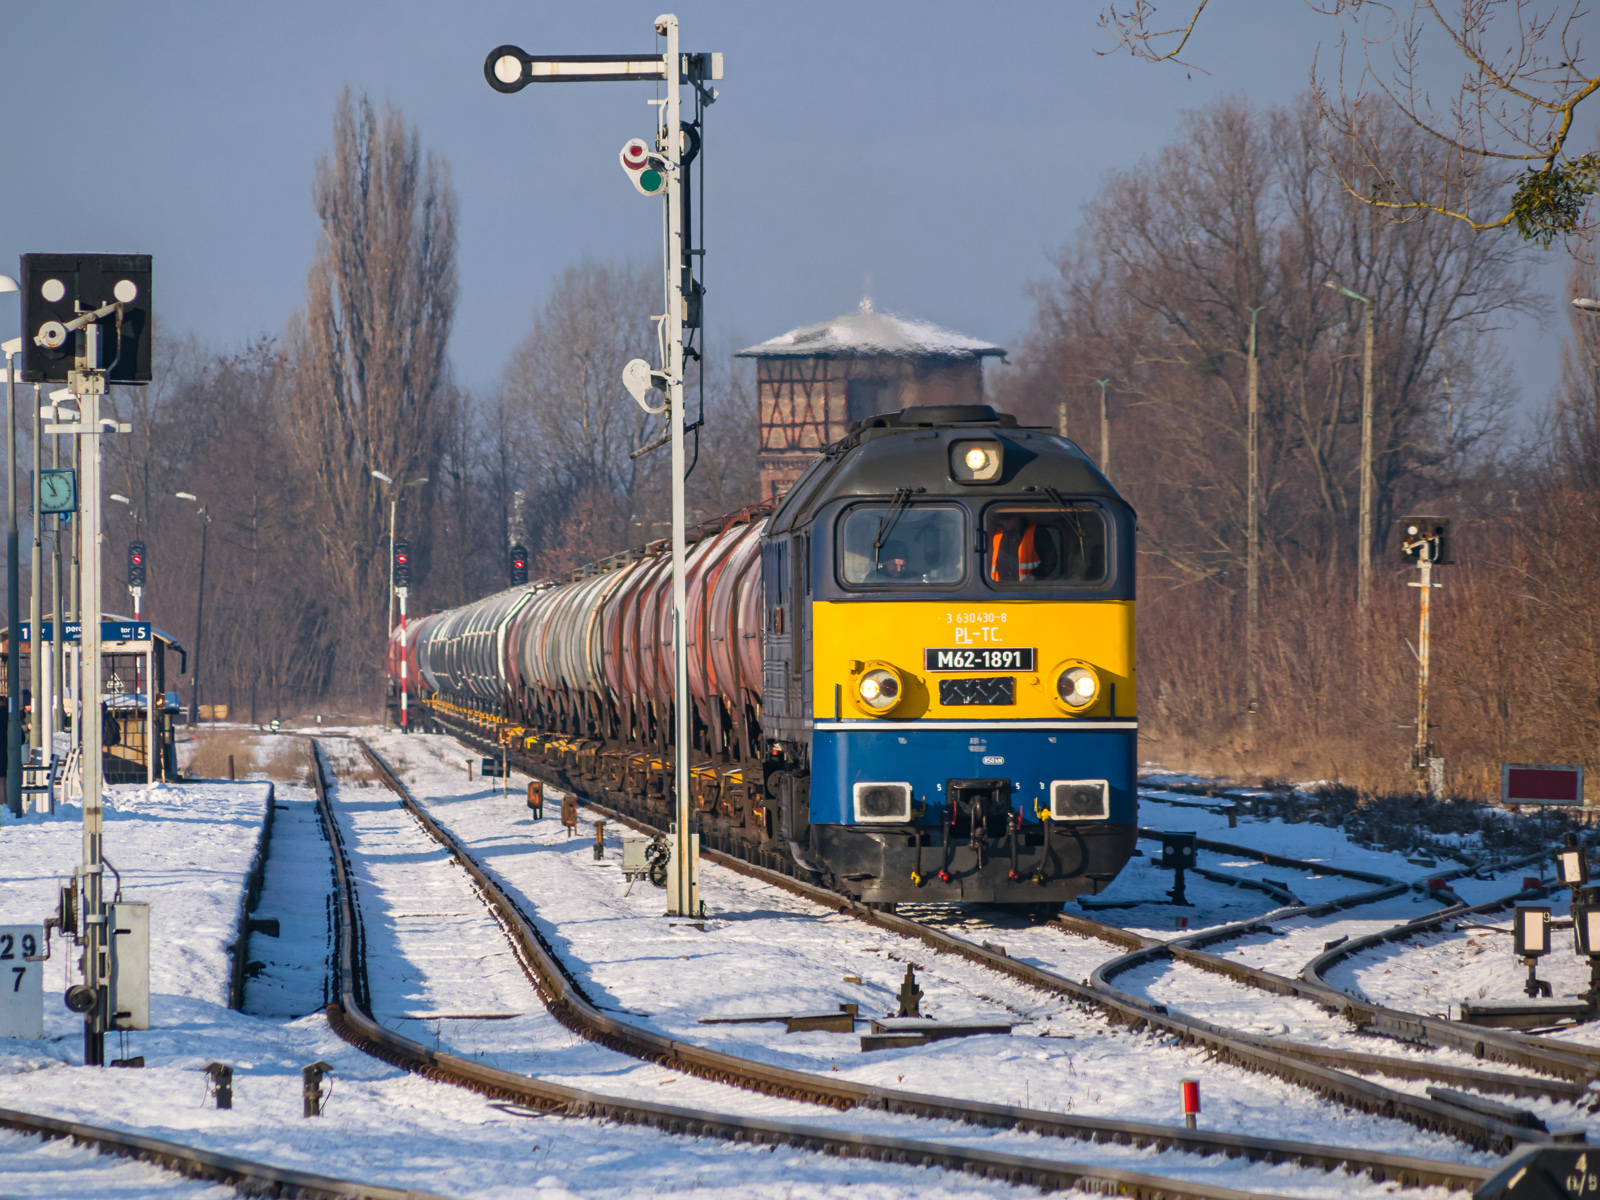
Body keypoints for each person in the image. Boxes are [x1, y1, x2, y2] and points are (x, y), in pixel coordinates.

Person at [989, 512, 1058, 583]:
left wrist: (1033, 577)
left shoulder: (1037, 532)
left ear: (1018, 516)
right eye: (1002, 520)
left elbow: (1050, 560)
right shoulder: (996, 533)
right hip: (999, 589)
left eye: (1009, 519)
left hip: (1028, 590)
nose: (1005, 522)